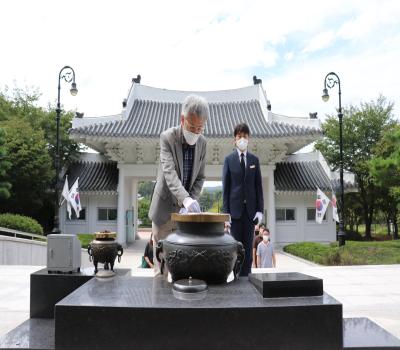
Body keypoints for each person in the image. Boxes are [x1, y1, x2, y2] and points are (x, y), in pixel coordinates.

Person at [148, 95, 209, 276]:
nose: (196, 132)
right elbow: (169, 174)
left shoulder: (203, 143)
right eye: (192, 127)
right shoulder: (167, 137)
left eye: (200, 128)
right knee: (162, 269)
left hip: (185, 217)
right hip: (163, 212)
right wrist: (186, 200)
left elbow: (200, 177)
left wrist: (190, 202)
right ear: (182, 119)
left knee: (183, 268)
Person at [222, 123, 264, 276]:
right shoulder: (229, 160)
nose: (242, 139)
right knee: (235, 248)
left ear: (248, 138)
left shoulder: (254, 160)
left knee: (247, 246)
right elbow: (225, 189)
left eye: (245, 136)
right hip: (234, 213)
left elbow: (258, 186)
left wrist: (260, 210)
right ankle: (236, 277)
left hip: (250, 212)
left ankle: (247, 277)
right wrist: (226, 214)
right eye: (239, 136)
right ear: (235, 139)